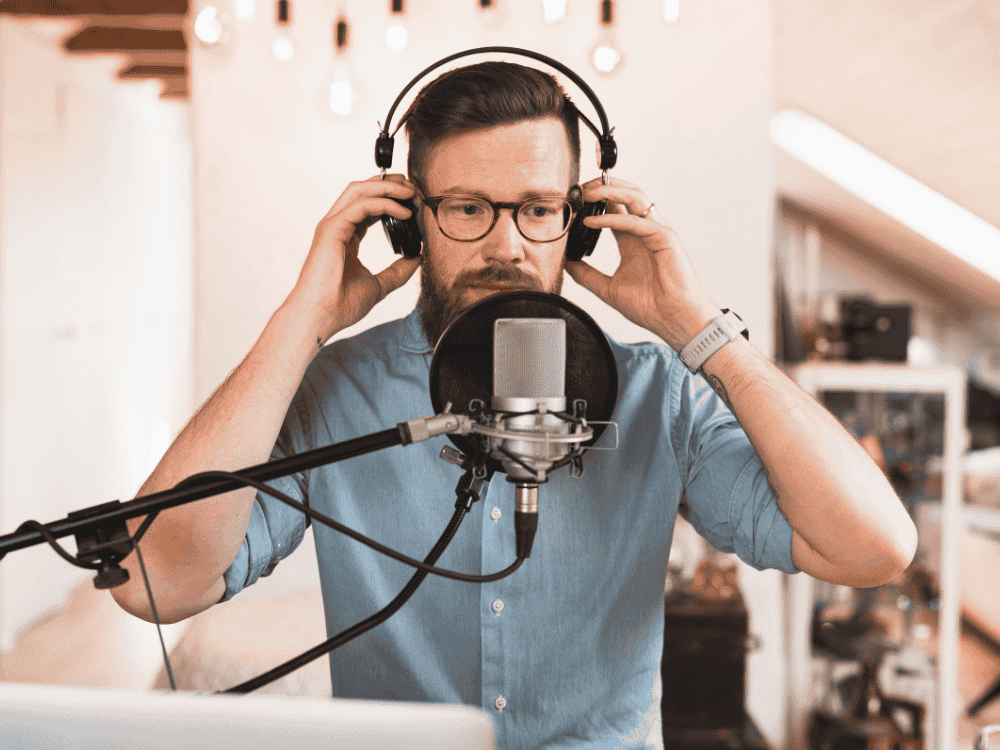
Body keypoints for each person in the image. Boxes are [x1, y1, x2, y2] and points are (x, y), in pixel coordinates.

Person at [111, 60, 918, 749]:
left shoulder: (656, 392)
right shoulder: (335, 388)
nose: (507, 244)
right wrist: (301, 322)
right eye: (468, 208)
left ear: (580, 224)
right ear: (409, 225)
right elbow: (156, 583)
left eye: (538, 209)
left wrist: (698, 329)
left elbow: (873, 548)